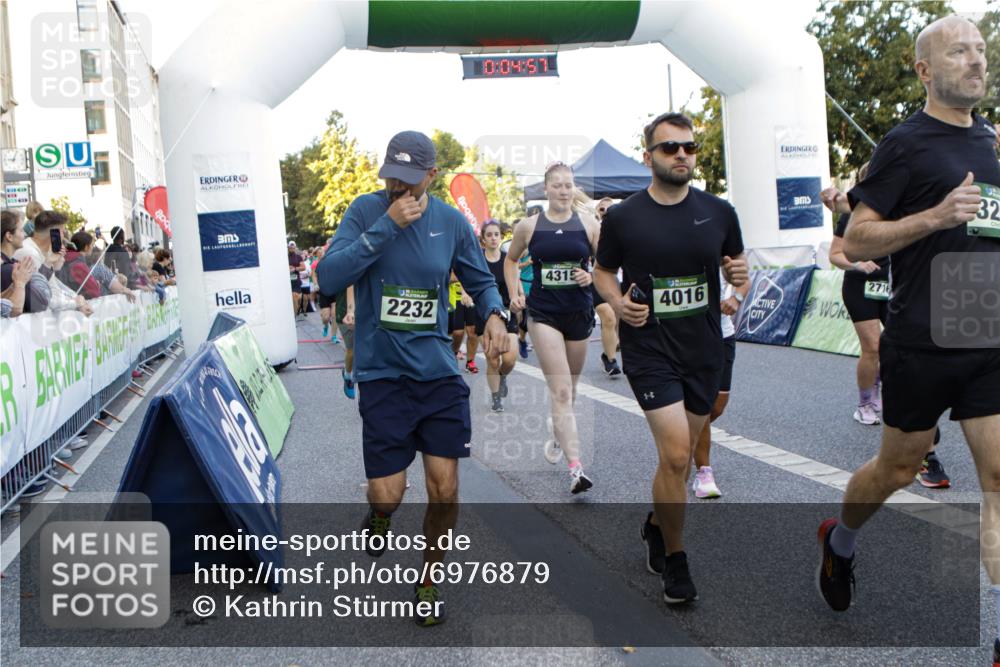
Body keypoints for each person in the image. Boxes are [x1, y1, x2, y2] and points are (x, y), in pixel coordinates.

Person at [814, 21, 1000, 664]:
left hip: (984, 332)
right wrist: (934, 217)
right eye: (959, 50)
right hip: (920, 338)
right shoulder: (905, 144)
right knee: (899, 465)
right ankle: (839, 541)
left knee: (998, 474)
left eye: (981, 49)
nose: (976, 60)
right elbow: (857, 240)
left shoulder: (993, 141)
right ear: (924, 70)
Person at [318, 130, 509, 626]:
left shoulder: (449, 222)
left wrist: (493, 315)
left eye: (409, 181)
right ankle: (379, 517)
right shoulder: (365, 212)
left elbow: (481, 279)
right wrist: (385, 226)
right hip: (383, 374)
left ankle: (429, 578)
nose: (398, 189)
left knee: (445, 489)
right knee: (389, 493)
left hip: (438, 375)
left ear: (432, 176)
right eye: (391, 179)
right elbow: (329, 278)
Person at [594, 112, 748, 604]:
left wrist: (739, 281)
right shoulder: (624, 217)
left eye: (689, 147)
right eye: (669, 148)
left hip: (703, 349)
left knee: (677, 464)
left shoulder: (720, 212)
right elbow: (602, 272)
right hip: (650, 349)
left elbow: (737, 269)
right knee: (678, 453)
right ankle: (677, 563)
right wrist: (618, 304)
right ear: (649, 157)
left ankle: (656, 524)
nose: (682, 154)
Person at [823, 176, 951, 488]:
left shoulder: (912, 205)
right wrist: (857, 264)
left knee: (908, 360)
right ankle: (868, 403)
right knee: (874, 348)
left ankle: (919, 433)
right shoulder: (856, 212)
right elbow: (836, 254)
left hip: (900, 288)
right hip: (861, 287)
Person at [505, 163, 601, 494]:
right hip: (543, 313)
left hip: (579, 312)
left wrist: (590, 277)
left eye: (568, 185)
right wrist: (515, 291)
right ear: (546, 189)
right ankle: (577, 469)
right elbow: (510, 260)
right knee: (560, 390)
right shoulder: (529, 226)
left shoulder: (588, 224)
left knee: (569, 392)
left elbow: (604, 267)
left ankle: (557, 430)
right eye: (557, 185)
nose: (563, 190)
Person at [691, 274, 749, 499]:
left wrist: (736, 298)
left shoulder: (717, 242)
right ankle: (704, 473)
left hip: (722, 334)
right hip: (688, 338)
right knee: (702, 408)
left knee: (717, 406)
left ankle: (681, 435)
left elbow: (744, 278)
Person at [13, 211, 92, 316]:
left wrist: (76, 299)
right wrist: (75, 303)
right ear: (54, 233)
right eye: (63, 232)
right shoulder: (30, 253)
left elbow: (54, 286)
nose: (64, 237)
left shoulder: (42, 251)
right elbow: (46, 296)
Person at [477, 220, 520, 412]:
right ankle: (496, 398)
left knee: (509, 359)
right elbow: (467, 279)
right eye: (489, 235)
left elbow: (516, 283)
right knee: (492, 359)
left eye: (497, 234)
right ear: (483, 239)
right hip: (483, 313)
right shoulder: (477, 259)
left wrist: (520, 298)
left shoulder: (508, 259)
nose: (494, 238)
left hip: (505, 312)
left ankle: (502, 376)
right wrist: (467, 294)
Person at [592, 197, 623, 377]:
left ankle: (609, 349)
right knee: (608, 316)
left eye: (609, 209)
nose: (606, 211)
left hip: (618, 281)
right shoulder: (592, 229)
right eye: (602, 209)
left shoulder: (623, 229)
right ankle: (611, 361)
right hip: (594, 280)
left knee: (619, 318)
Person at [2, 209, 51, 314]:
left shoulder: (12, 264)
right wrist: (20, 284)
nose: (24, 234)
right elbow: (40, 302)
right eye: (20, 230)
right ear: (9, 236)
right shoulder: (10, 269)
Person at [335, 284, 356, 398]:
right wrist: (350, 311)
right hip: (345, 314)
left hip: (367, 312)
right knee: (352, 350)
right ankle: (348, 375)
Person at [288, 241, 305, 316]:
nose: (292, 248)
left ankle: (296, 312)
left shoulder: (298, 257)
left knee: (296, 297)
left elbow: (303, 267)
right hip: (287, 281)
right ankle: (294, 316)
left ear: (295, 248)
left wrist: (294, 268)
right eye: (290, 247)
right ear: (288, 248)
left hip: (296, 280)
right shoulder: (284, 257)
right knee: (293, 296)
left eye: (293, 247)